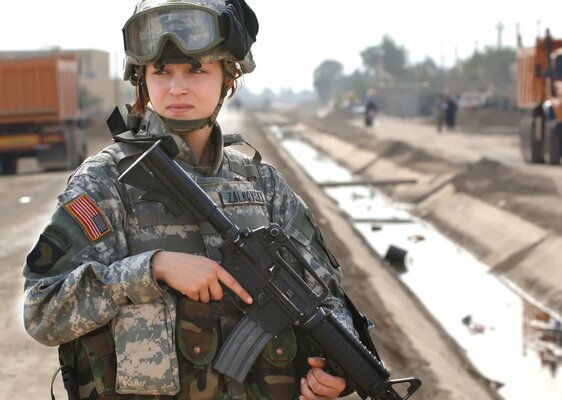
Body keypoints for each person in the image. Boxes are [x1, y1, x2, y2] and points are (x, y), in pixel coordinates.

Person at [22, 1, 355, 399]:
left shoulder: (263, 185)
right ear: (142, 79)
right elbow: (42, 311)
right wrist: (152, 269)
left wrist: (334, 372)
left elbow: (329, 297)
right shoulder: (107, 182)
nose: (177, 87)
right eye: (162, 71)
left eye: (197, 69)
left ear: (227, 78)